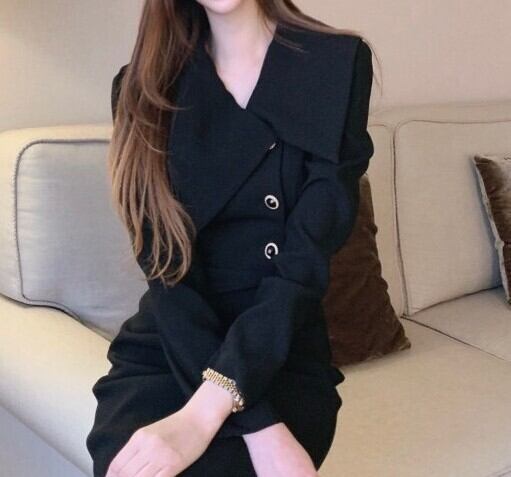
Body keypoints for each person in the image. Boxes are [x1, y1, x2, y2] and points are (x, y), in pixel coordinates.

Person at [86, 0, 377, 476]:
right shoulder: (141, 87)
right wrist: (256, 424)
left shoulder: (336, 64)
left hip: (278, 345)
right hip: (175, 341)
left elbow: (306, 262)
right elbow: (166, 274)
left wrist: (214, 409)